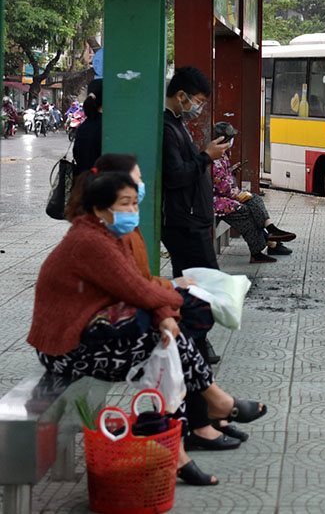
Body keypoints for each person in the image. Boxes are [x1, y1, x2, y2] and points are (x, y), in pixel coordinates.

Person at [27, 170, 267, 486]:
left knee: (167, 343)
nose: (132, 210)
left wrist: (165, 312)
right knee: (165, 342)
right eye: (124, 204)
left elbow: (142, 288)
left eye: (134, 203)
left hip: (89, 335)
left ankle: (188, 440)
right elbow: (138, 290)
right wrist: (173, 299)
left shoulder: (105, 234)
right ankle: (210, 409)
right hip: (65, 349)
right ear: (100, 208)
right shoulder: (90, 242)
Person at [161, 67, 229, 278]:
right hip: (185, 224)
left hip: (193, 220)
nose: (199, 108)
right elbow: (175, 175)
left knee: (192, 284)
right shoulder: (166, 128)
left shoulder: (178, 123)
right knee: (208, 283)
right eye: (198, 101)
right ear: (181, 96)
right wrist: (207, 156)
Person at [211, 122, 296, 264]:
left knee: (255, 200)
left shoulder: (223, 155)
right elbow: (220, 185)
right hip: (217, 200)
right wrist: (235, 193)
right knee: (245, 212)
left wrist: (232, 172)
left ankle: (271, 229)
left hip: (225, 196)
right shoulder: (215, 158)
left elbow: (223, 178)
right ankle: (260, 249)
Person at [73, 79, 103, 176]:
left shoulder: (84, 126)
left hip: (83, 180)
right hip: (100, 180)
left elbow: (77, 154)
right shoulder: (106, 127)